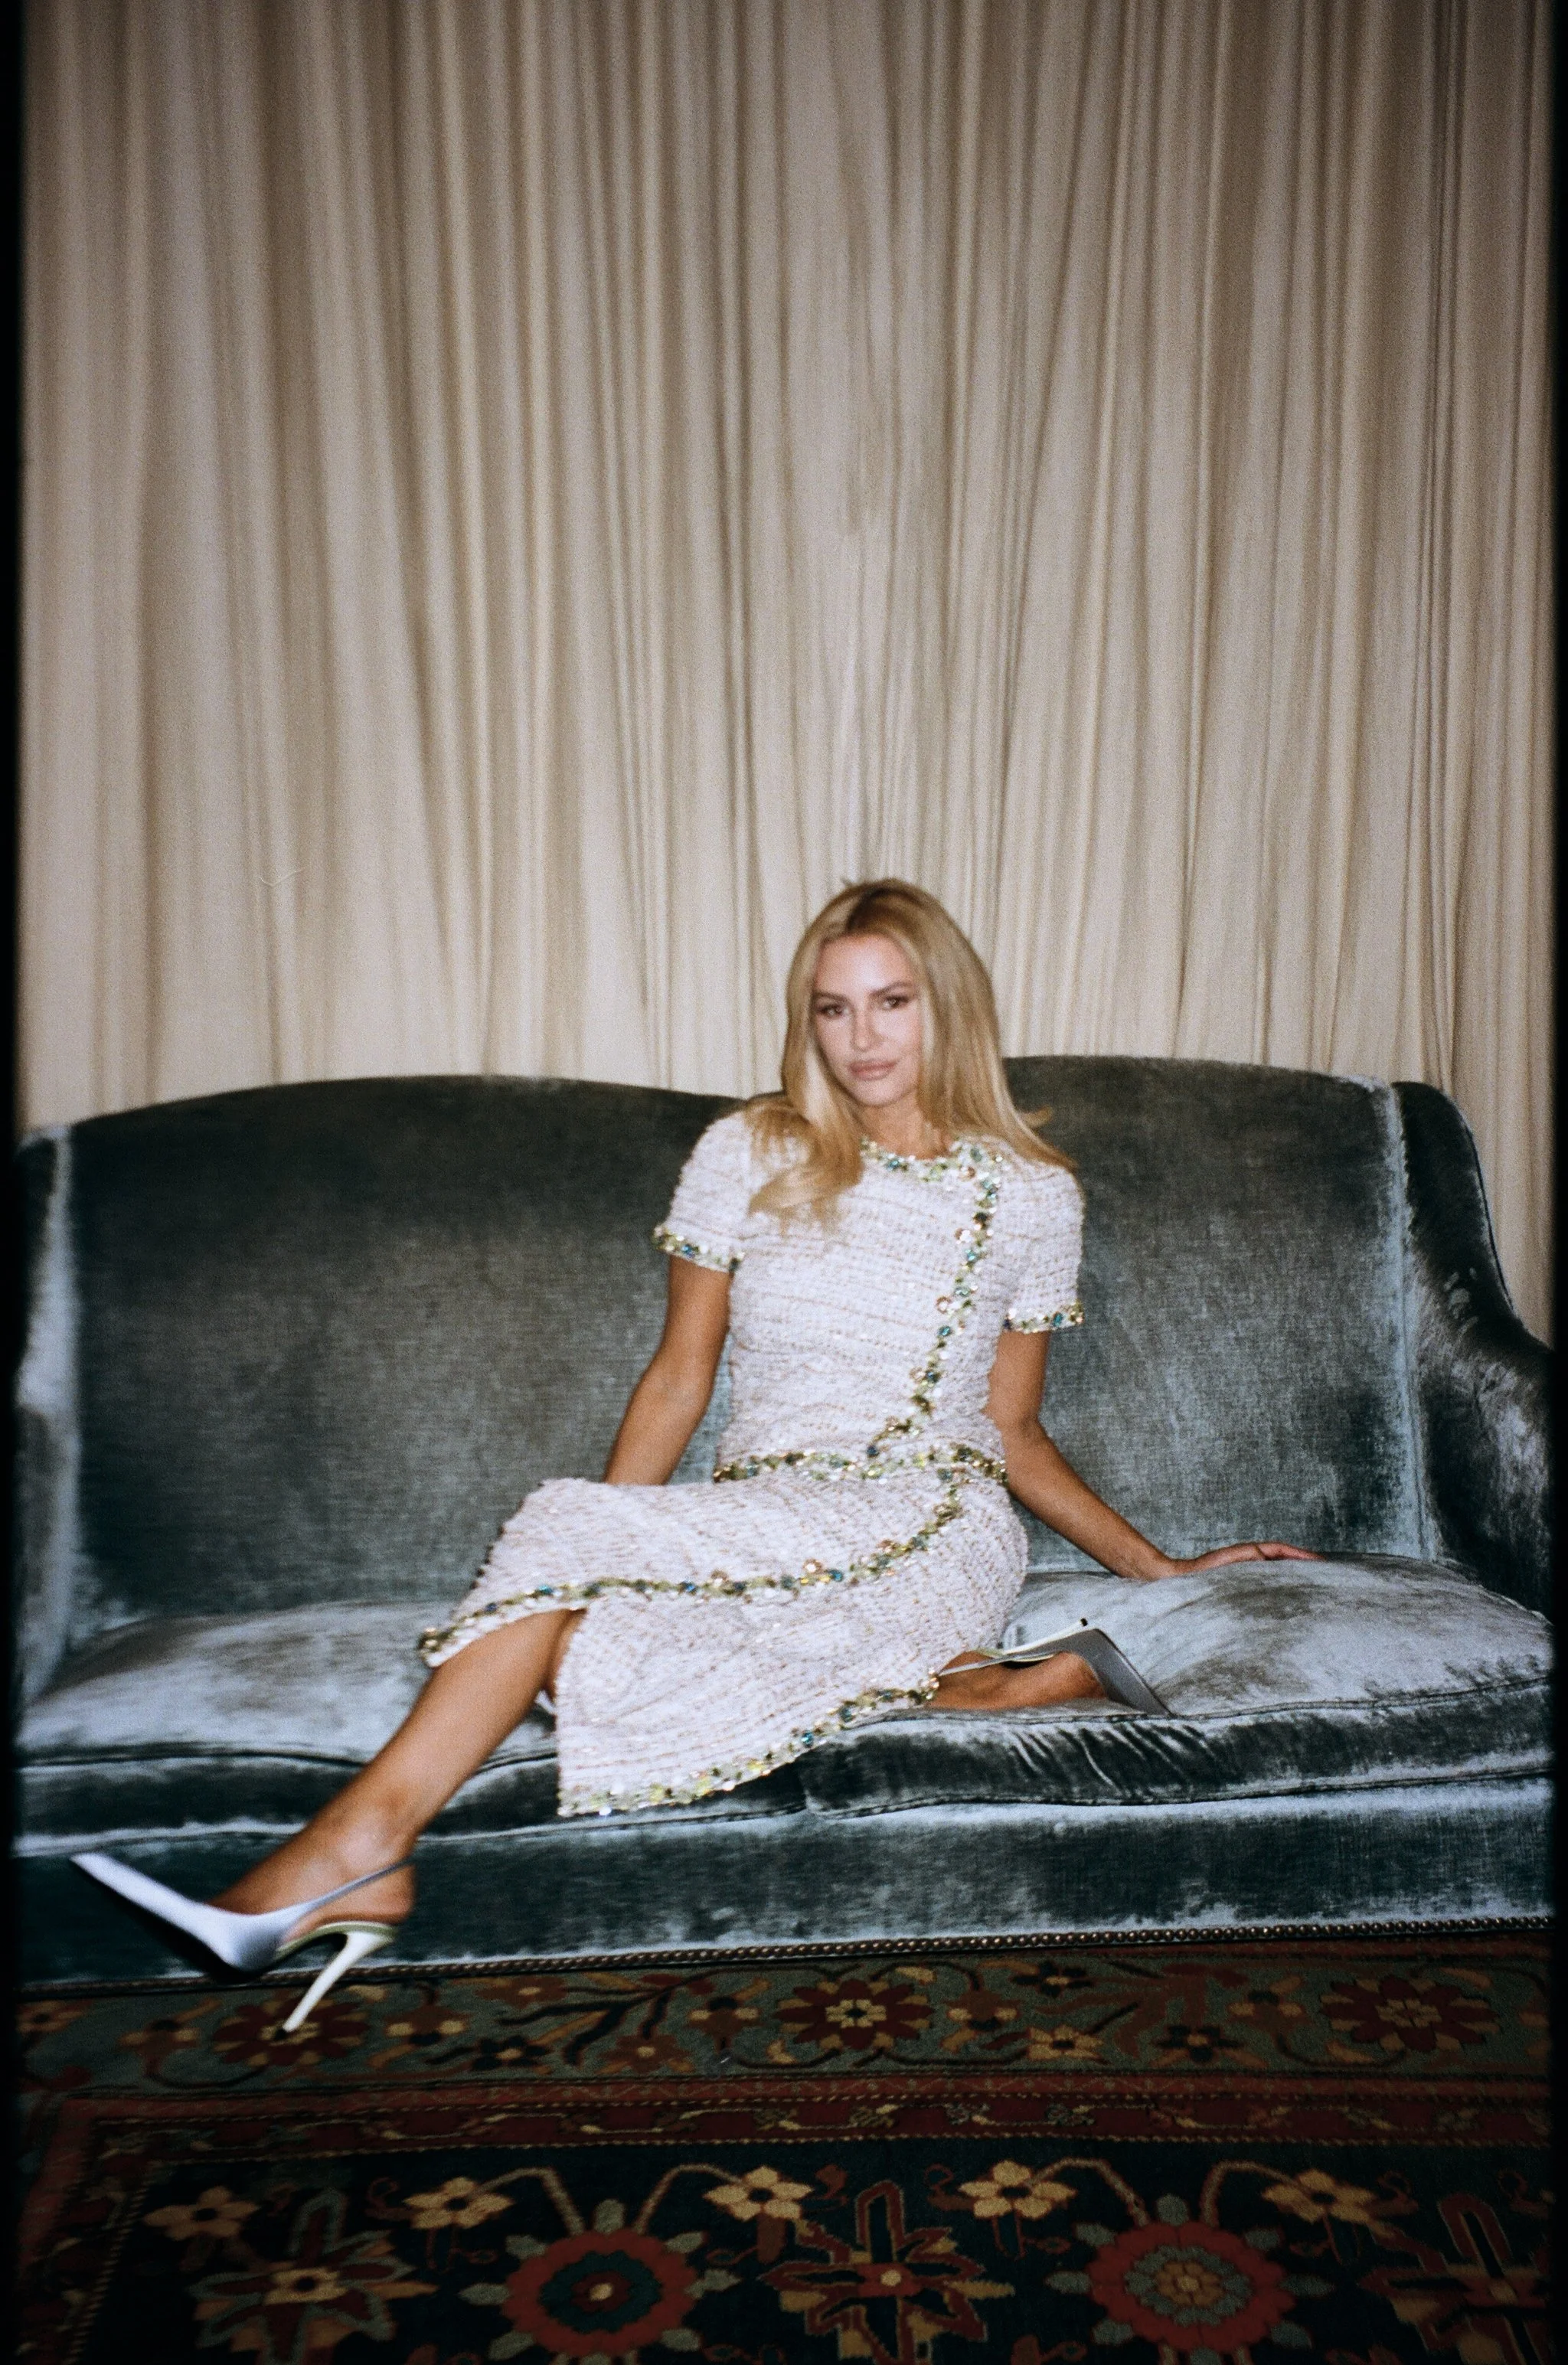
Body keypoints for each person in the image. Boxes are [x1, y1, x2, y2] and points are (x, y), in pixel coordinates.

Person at [76, 880, 1312, 2025]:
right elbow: (680, 1376)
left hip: (933, 1515)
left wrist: (1162, 1571)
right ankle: (991, 1687)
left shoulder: (1030, 1193)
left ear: (951, 1007)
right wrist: (611, 1551)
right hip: (765, 1516)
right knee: (573, 1652)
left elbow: (1014, 1429)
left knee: (571, 1572)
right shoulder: (748, 1151)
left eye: (892, 1002)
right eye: (832, 1008)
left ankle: (357, 1849)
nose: (861, 1038)